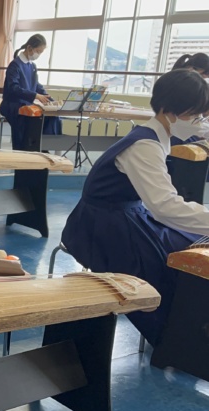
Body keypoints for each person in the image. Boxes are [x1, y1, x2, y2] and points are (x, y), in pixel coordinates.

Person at [61, 69, 209, 347]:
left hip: (127, 216)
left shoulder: (157, 134)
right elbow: (164, 207)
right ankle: (176, 341)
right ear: (170, 110)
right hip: (101, 227)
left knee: (191, 244)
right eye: (195, 115)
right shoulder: (144, 146)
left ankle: (188, 332)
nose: (199, 122)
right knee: (168, 264)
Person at [0, 34, 62, 150]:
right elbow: (13, 88)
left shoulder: (32, 66)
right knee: (27, 123)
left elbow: (36, 85)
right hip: (13, 105)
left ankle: (43, 147)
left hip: (26, 104)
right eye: (38, 51)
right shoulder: (15, 65)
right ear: (29, 48)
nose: (39, 55)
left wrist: (49, 99)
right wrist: (35, 95)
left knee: (52, 117)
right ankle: (25, 151)